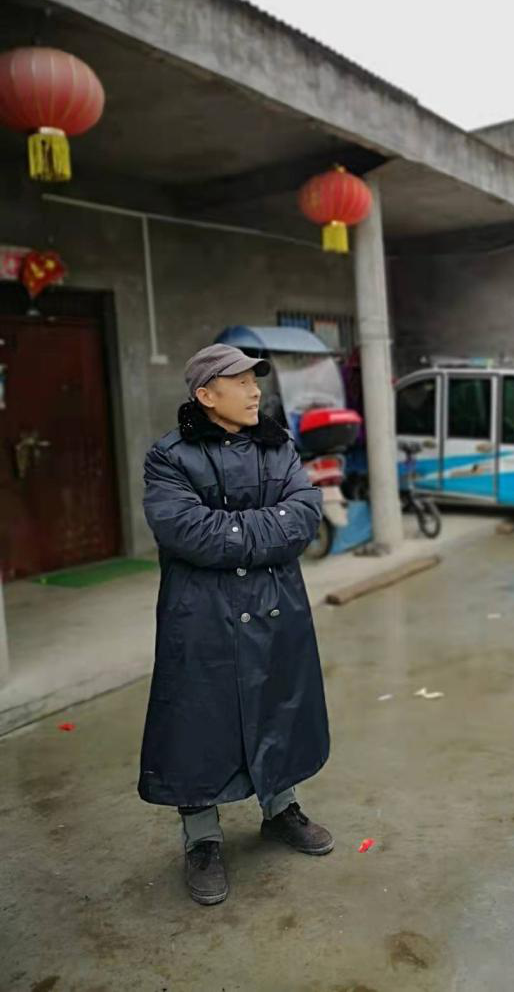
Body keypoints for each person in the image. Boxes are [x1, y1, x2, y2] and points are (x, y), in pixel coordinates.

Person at [139, 344, 332, 906]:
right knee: (198, 719)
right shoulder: (169, 457)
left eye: (255, 380)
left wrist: (234, 531)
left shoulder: (278, 445)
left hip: (275, 603)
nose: (254, 391)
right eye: (241, 381)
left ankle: (281, 809)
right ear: (206, 395)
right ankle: (202, 838)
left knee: (278, 702)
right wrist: (263, 529)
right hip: (201, 613)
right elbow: (187, 531)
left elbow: (304, 515)